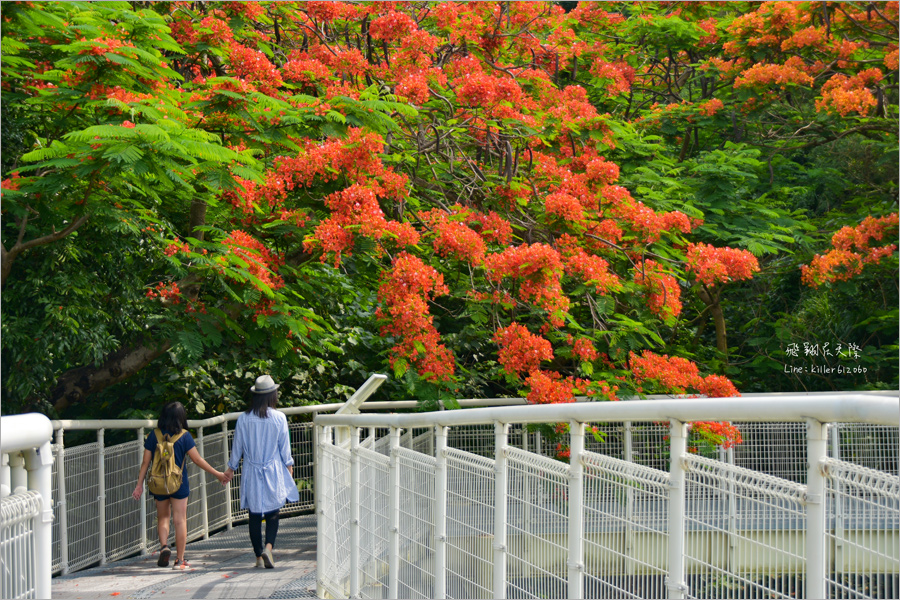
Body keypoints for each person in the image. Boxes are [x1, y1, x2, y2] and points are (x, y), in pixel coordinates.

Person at [132, 401, 226, 570]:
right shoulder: (185, 436)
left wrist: (139, 485)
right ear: (181, 417)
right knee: (180, 520)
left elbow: (145, 463)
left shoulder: (153, 435)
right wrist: (218, 474)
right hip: (178, 484)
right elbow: (197, 460)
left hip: (158, 483)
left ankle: (164, 546)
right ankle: (180, 560)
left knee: (163, 517)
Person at [222, 375, 299, 569]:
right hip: (272, 468)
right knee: (273, 512)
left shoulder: (244, 419)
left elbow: (237, 448)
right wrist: (289, 469)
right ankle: (269, 548)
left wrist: (230, 469)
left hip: (251, 470)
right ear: (273, 395)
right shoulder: (279, 418)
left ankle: (258, 556)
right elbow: (284, 448)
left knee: (254, 514)